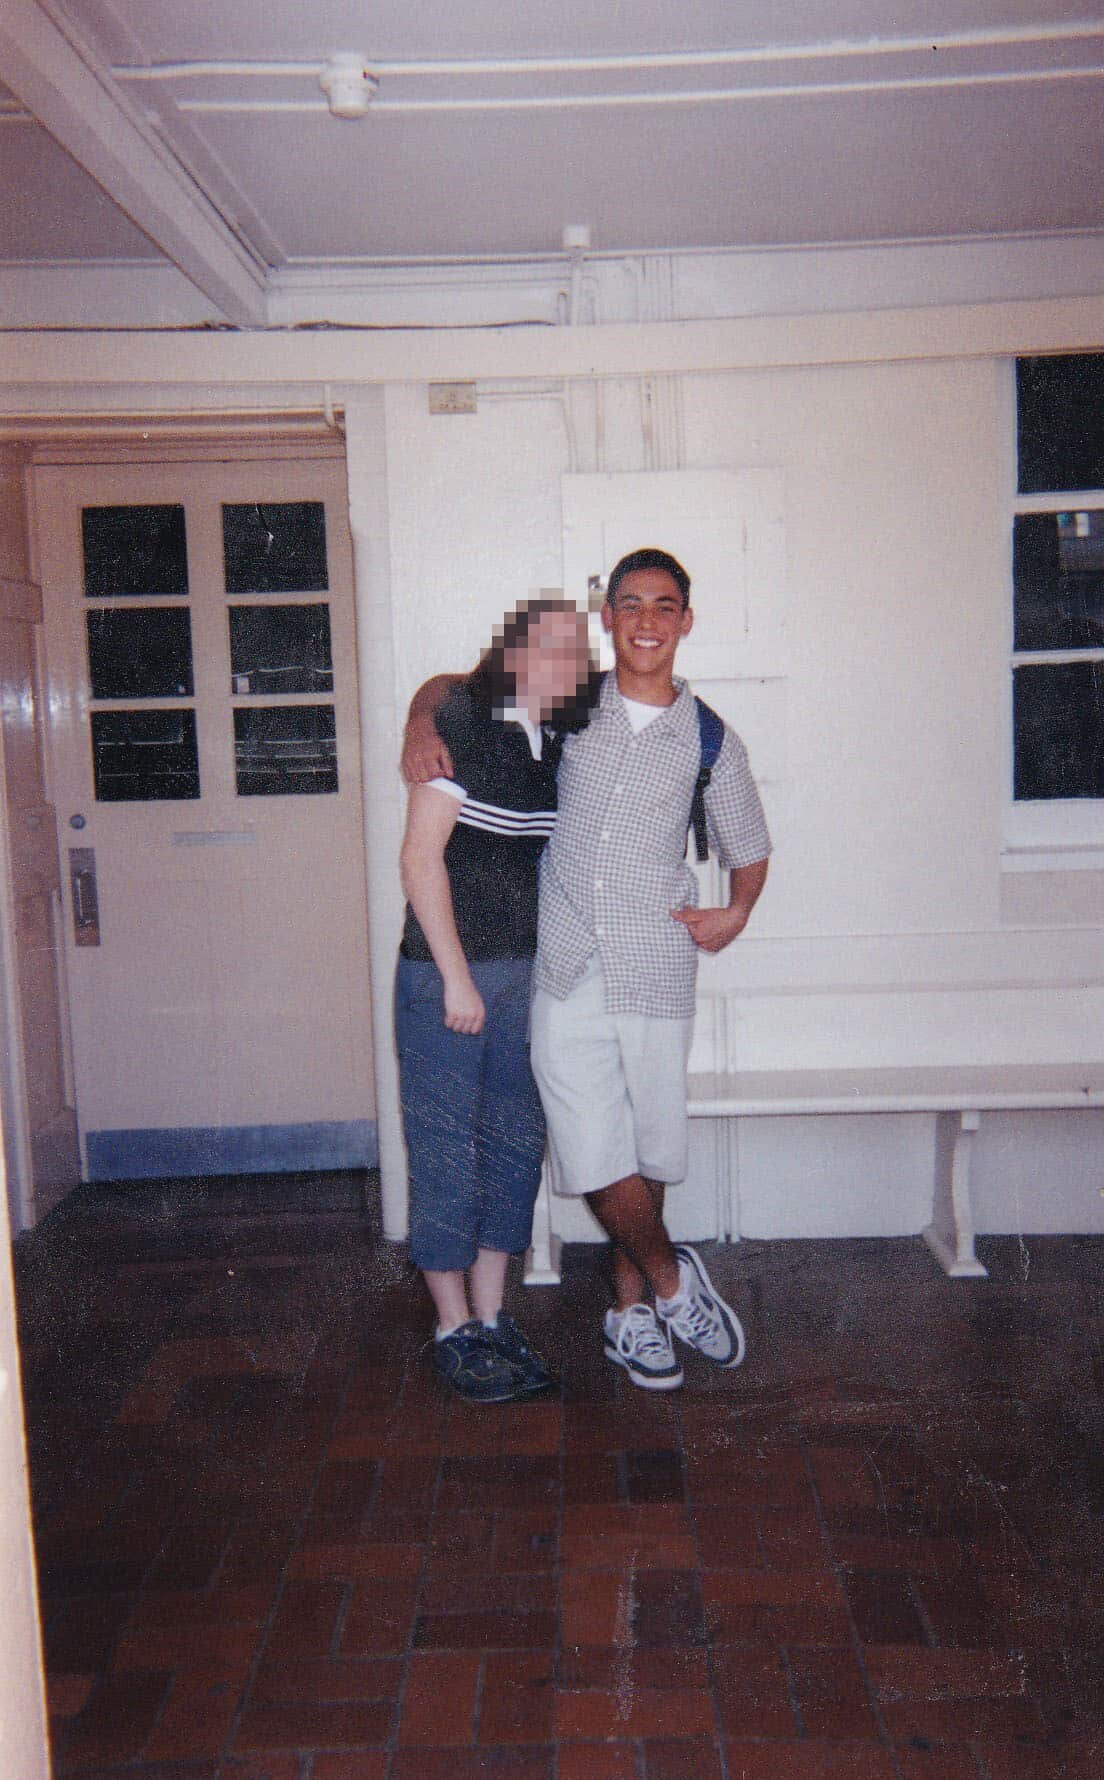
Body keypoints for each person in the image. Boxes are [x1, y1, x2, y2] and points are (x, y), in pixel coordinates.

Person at [403, 548, 771, 1392]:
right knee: (592, 1143)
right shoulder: (570, 703)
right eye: (631, 603)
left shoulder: (711, 736)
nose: (647, 620)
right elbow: (451, 686)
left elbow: (749, 849)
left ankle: (630, 1311)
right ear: (609, 617)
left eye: (665, 606)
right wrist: (420, 726)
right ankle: (676, 1283)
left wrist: (738, 910)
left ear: (685, 621)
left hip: (656, 963)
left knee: (642, 1145)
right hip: (561, 964)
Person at [396, 596, 595, 1404]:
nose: (560, 663)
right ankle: (451, 1330)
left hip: (525, 981)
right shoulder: (465, 724)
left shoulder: (552, 743)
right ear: (509, 654)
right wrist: (455, 978)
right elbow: (419, 862)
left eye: (572, 652)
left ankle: (490, 1316)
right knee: (448, 1152)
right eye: (542, 647)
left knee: (514, 1151)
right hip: (447, 979)